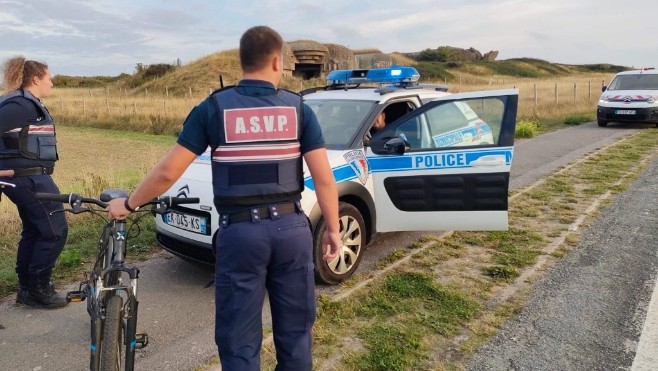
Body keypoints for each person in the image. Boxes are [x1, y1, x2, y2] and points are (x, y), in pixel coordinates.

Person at [107, 26, 341, 370]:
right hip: (292, 231)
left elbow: (167, 173)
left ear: (242, 61)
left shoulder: (214, 108)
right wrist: (333, 229)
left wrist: (127, 205)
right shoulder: (298, 108)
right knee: (295, 333)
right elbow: (324, 179)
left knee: (239, 340)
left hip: (242, 234)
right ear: (277, 62)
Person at [0, 56, 69, 308]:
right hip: (27, 178)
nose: (52, 82)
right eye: (49, 78)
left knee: (35, 230)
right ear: (36, 78)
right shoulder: (20, 104)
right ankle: (39, 289)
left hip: (28, 176)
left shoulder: (24, 103)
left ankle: (27, 290)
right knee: (54, 231)